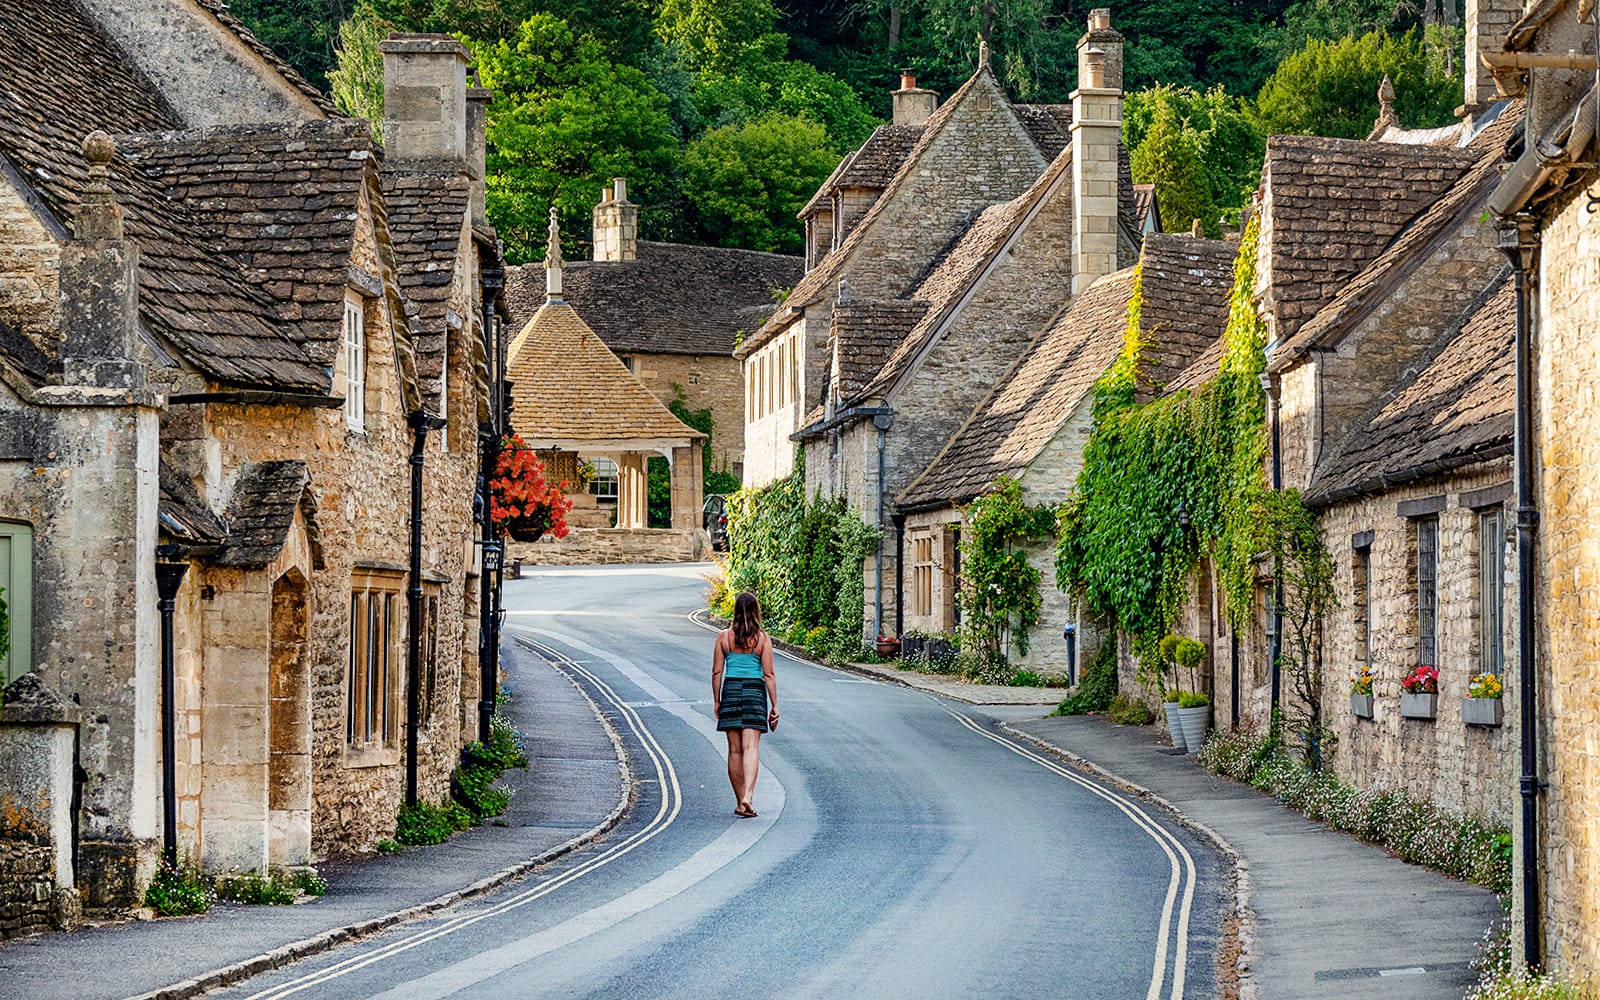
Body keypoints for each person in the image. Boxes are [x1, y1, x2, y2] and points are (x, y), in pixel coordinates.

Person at [712, 592, 779, 817]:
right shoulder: (762, 639)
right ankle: (749, 796)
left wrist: (717, 700)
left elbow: (717, 672)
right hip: (754, 692)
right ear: (756, 612)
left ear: (735, 611)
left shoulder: (723, 638)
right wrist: (775, 705)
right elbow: (768, 675)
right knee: (751, 748)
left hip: (731, 691)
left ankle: (740, 802)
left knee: (734, 750)